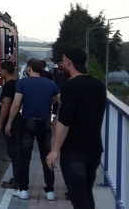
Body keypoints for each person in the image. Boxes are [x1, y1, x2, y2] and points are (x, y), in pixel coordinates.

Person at [45, 48, 107, 209]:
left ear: (69, 62)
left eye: (64, 61)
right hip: (94, 150)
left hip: (74, 152)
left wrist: (54, 150)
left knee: (78, 198)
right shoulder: (99, 86)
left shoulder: (70, 87)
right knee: (86, 194)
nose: (62, 64)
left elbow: (65, 121)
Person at [5, 58, 61, 201]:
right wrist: (56, 116)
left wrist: (9, 122)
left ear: (29, 68)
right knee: (46, 157)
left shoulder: (22, 83)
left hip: (27, 122)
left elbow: (16, 104)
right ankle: (50, 191)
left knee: (25, 157)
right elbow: (62, 100)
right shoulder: (50, 84)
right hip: (44, 123)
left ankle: (23, 190)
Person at [0, 61, 20, 189]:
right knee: (15, 151)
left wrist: (0, 123)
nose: (0, 73)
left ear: (5, 71)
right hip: (17, 121)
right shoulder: (17, 84)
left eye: (1, 70)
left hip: (11, 122)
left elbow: (6, 106)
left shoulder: (9, 86)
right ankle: (18, 178)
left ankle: (17, 180)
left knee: (13, 151)